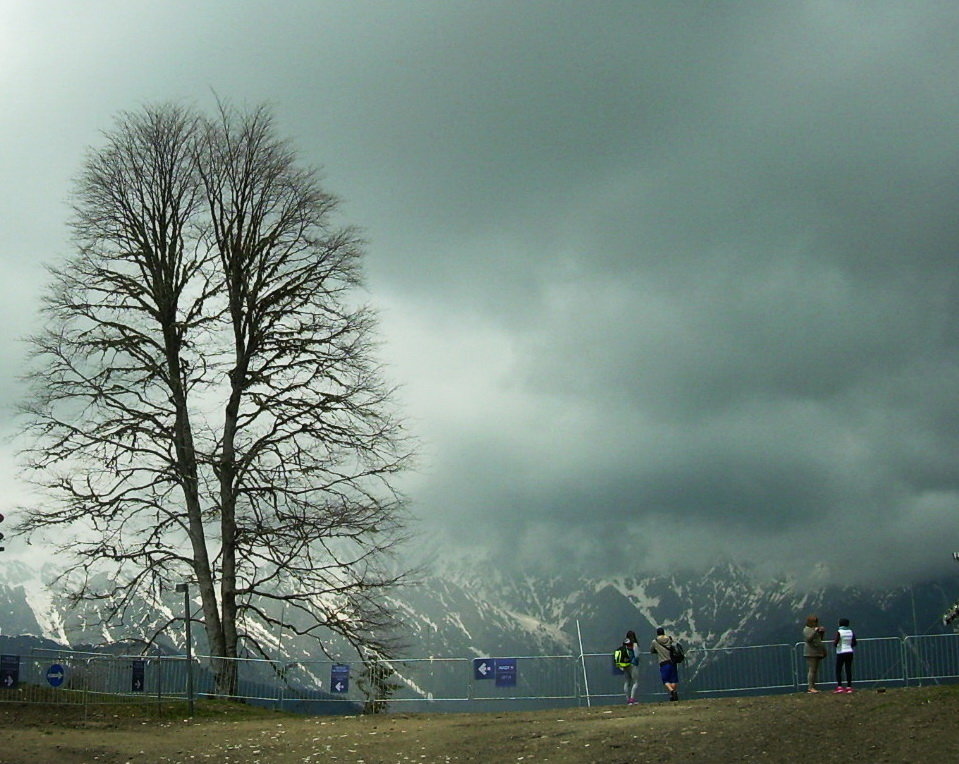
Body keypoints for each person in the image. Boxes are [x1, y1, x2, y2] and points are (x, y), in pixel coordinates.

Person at [650, 626, 680, 701]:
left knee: (665, 680)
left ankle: (672, 691)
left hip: (663, 662)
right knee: (673, 679)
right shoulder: (669, 639)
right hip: (672, 662)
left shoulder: (655, 641)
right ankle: (673, 694)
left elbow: (651, 650)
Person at [802, 614, 827, 693]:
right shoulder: (806, 629)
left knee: (815, 670)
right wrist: (815, 631)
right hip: (810, 652)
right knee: (812, 669)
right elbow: (808, 639)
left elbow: (819, 639)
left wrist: (821, 633)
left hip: (817, 651)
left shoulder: (814, 629)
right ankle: (810, 687)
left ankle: (813, 686)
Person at [833, 617, 857, 693]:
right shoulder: (851, 632)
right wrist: (849, 645)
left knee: (838, 669)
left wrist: (836, 645)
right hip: (849, 651)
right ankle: (849, 687)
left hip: (841, 652)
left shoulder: (839, 632)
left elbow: (835, 642)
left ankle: (840, 686)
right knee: (848, 669)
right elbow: (854, 642)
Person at [617, 630, 640, 705]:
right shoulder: (634, 644)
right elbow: (636, 655)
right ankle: (632, 699)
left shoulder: (624, 645)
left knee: (627, 682)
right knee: (635, 682)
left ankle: (627, 699)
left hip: (625, 664)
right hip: (633, 664)